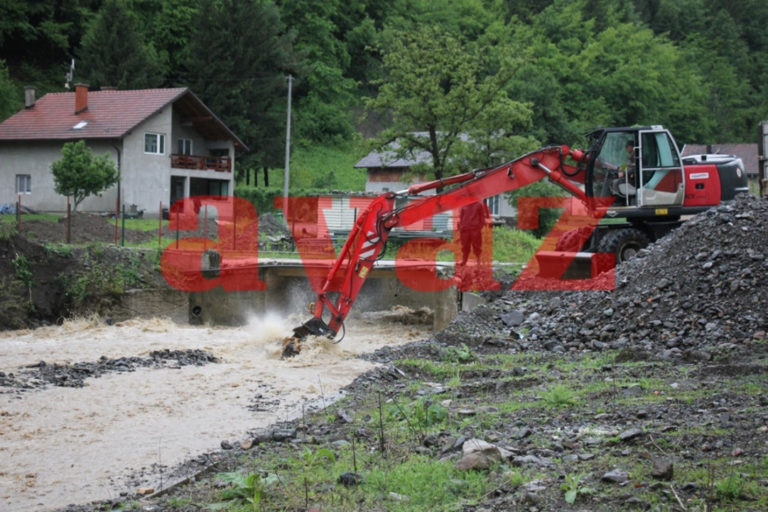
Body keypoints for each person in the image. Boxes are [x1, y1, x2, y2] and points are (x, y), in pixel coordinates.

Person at [458, 199, 491, 267]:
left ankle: (478, 259)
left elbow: (482, 217)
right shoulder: (464, 205)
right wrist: (461, 226)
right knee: (465, 245)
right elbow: (461, 217)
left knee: (477, 245)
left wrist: (480, 226)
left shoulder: (478, 205)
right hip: (465, 229)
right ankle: (464, 260)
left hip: (475, 229)